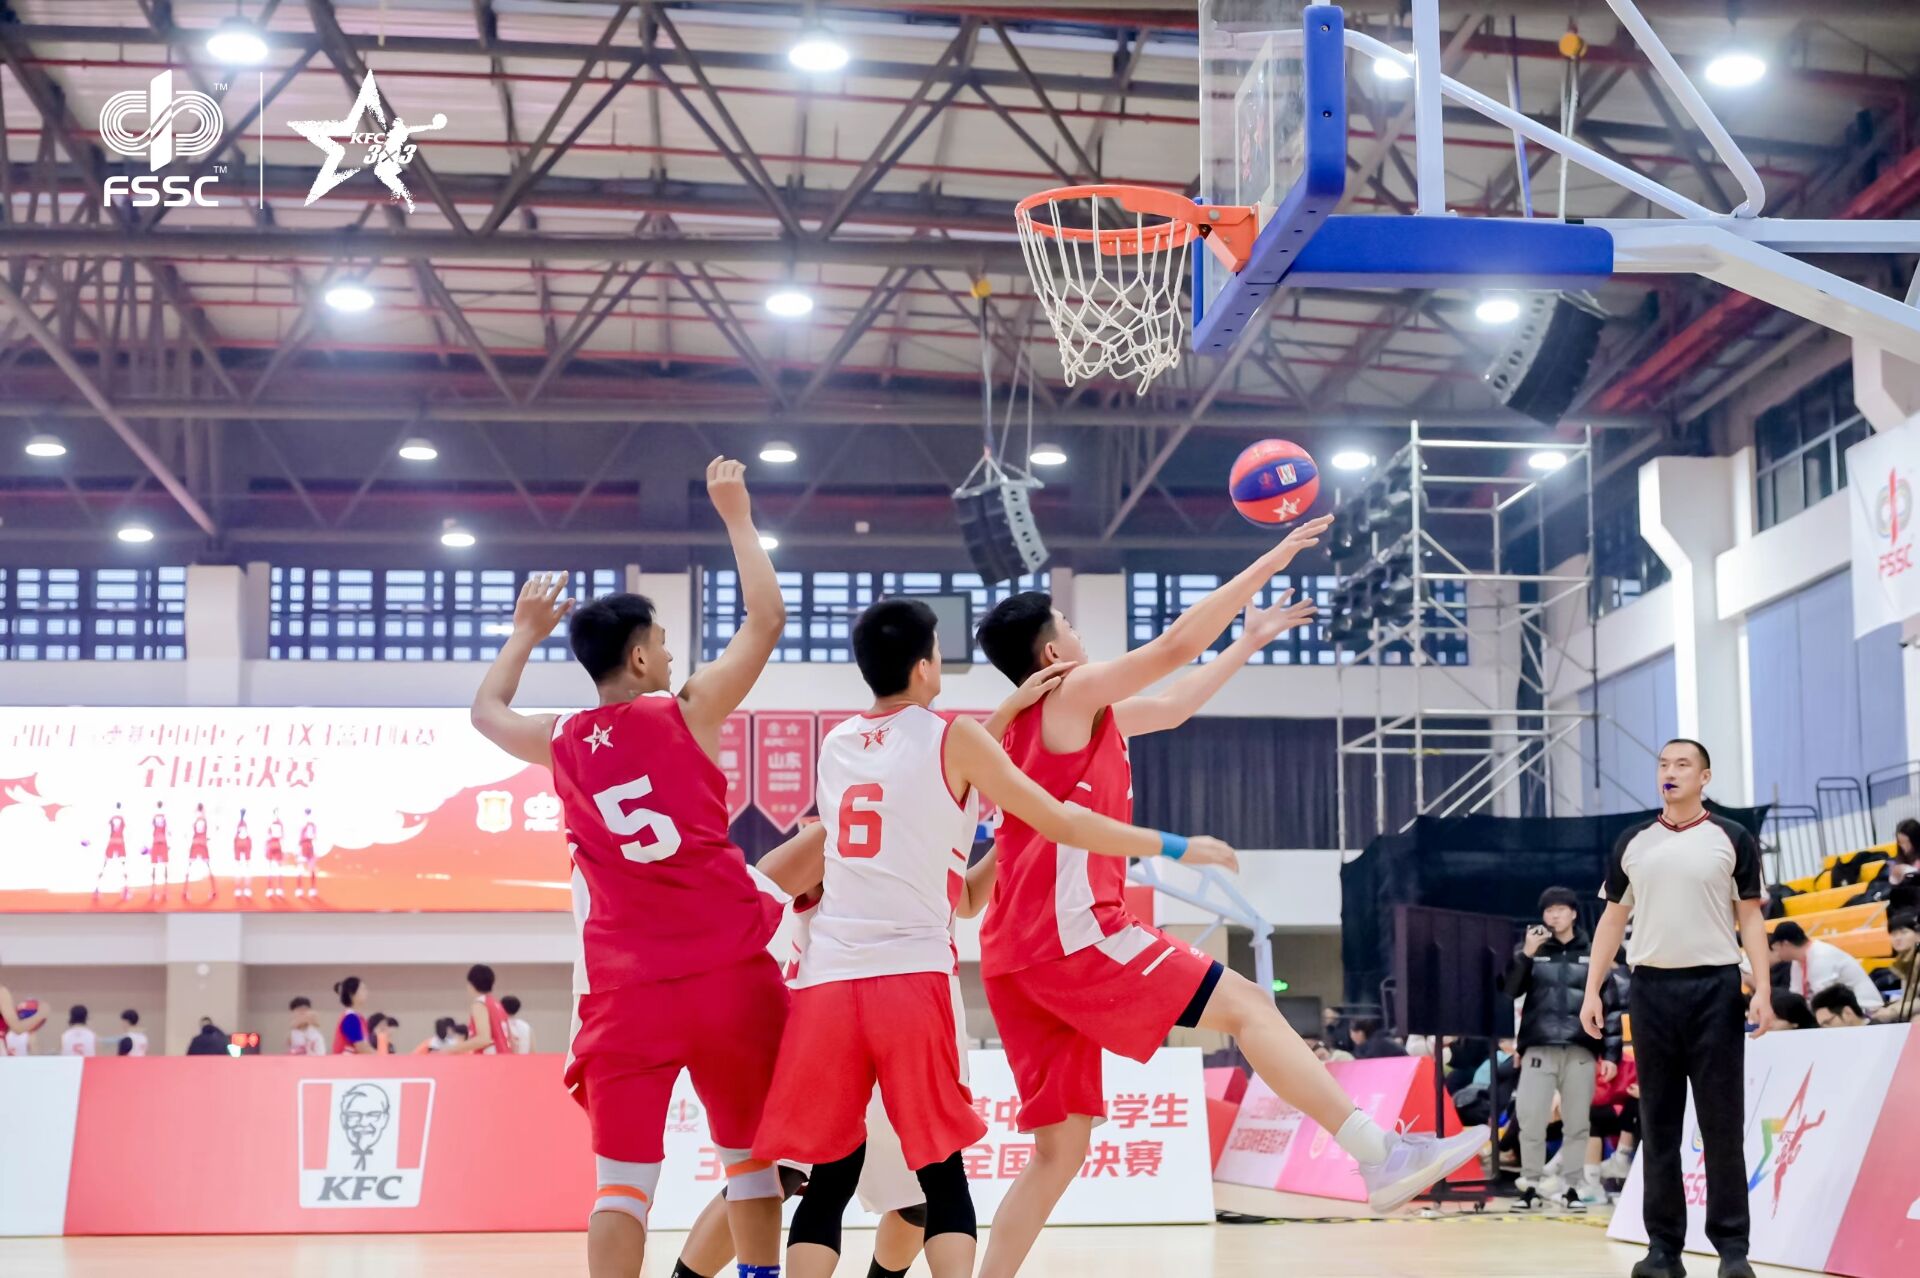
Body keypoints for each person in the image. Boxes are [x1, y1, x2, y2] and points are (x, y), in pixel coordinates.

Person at [973, 529, 1487, 1278]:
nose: (1082, 637)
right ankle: (1377, 1154)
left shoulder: (1048, 726)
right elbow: (1175, 647)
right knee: (1247, 1004)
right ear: (1052, 654)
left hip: (1014, 956)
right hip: (1072, 934)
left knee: (1060, 1151)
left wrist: (1247, 643)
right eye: (1072, 627)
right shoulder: (1069, 693)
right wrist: (1267, 563)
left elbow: (1173, 705)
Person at [752, 601, 1221, 1278]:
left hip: (826, 985)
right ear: (925, 666)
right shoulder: (958, 738)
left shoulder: (838, 745)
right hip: (909, 979)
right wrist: (1173, 846)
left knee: (827, 1182)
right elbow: (1053, 816)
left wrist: (1000, 731)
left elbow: (921, 777)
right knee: (941, 1177)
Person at [469, 458, 792, 1278]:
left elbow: (486, 712)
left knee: (620, 1189)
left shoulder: (562, 740)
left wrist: (524, 632)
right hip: (728, 977)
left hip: (626, 992)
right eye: (665, 645)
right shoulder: (688, 714)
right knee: (751, 1166)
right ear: (642, 658)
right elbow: (766, 619)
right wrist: (735, 513)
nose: (672, 657)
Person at [1582, 739, 1772, 1278]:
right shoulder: (1633, 841)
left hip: (1715, 989)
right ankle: (1663, 1249)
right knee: (1658, 1124)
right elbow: (1612, 920)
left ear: (1704, 777)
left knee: (1721, 1123)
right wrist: (1594, 989)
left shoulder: (1732, 837)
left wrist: (1761, 987)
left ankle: (1732, 1250)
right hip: (1650, 991)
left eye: (1682, 764)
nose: (1670, 772)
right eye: (1663, 764)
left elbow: (1750, 917)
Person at [1502, 886, 1623, 1211]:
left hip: (1581, 1047)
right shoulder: (1532, 951)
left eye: (1560, 909)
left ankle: (1572, 1187)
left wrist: (1611, 1054)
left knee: (1577, 1122)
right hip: (1539, 1047)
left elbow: (1611, 1006)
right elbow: (1510, 990)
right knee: (1530, 1118)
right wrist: (1526, 954)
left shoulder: (1593, 951)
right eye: (1548, 910)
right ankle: (1530, 1185)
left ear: (1573, 913)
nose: (1554, 915)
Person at [1768, 920, 1884, 1011]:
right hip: (1836, 1009)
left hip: (1864, 1008)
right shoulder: (1797, 961)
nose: (1776, 953)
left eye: (1775, 948)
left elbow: (1823, 998)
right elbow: (1796, 996)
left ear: (1786, 944)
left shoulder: (1822, 955)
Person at [445, 964, 513, 1055]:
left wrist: (450, 1050)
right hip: (505, 1056)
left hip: (490, 1059)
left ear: (471, 984)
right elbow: (512, 1040)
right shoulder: (497, 1004)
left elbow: (483, 1039)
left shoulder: (480, 1003)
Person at [1874, 910, 1918, 1023]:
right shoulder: (1904, 962)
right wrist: (1888, 1008)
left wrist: (1893, 1011)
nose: (1897, 938)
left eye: (1903, 932)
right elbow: (1908, 999)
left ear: (1918, 935)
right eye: (1893, 934)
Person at [93, 802, 131, 904]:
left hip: (112, 841)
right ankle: (126, 890)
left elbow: (105, 829)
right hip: (120, 842)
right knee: (123, 865)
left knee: (104, 865)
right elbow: (127, 831)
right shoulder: (122, 817)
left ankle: (97, 889)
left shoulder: (112, 817)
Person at [334, 976, 375, 1055]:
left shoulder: (360, 1018)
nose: (366, 992)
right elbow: (361, 1047)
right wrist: (379, 1056)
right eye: (363, 989)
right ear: (352, 994)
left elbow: (365, 1045)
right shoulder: (350, 1018)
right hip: (346, 1061)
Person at [185, 803, 215, 905]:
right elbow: (209, 833)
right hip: (203, 843)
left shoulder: (195, 818)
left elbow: (190, 832)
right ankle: (213, 889)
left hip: (195, 843)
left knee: (189, 866)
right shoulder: (205, 818)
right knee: (208, 866)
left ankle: (186, 890)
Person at [147, 800, 171, 904]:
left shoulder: (154, 816)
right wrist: (169, 844)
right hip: (163, 841)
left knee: (154, 866)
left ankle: (153, 892)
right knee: (165, 865)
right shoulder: (165, 816)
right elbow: (169, 831)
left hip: (155, 841)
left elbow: (150, 830)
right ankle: (165, 892)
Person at [296, 808, 320, 901]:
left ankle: (311, 889)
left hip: (309, 847)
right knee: (301, 868)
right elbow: (299, 837)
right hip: (304, 847)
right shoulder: (303, 824)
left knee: (311, 868)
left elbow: (314, 837)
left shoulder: (311, 824)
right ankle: (300, 889)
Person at [265, 810, 287, 901]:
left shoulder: (280, 823)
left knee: (279, 869)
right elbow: (266, 835)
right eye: (275, 813)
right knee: (270, 869)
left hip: (278, 846)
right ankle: (270, 889)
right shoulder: (270, 823)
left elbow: (283, 836)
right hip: (271, 846)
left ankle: (279, 889)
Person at [234, 808, 255, 900]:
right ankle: (239, 889)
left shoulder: (246, 823)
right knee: (240, 869)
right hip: (240, 845)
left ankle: (246, 889)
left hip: (245, 845)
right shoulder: (239, 824)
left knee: (246, 868)